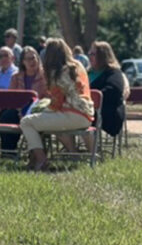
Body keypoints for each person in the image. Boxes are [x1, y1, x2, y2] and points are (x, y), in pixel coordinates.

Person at [19, 38, 94, 171]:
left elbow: (56, 103)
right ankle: (36, 159)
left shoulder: (56, 72)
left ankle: (41, 160)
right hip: (87, 116)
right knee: (38, 120)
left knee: (26, 122)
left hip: (71, 115)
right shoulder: (78, 65)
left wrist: (41, 111)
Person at [87, 41, 127, 138]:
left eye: (93, 54)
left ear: (102, 56)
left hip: (107, 113)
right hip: (85, 110)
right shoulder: (87, 72)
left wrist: (90, 97)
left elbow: (113, 91)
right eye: (89, 54)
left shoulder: (113, 73)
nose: (90, 57)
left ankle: (89, 146)